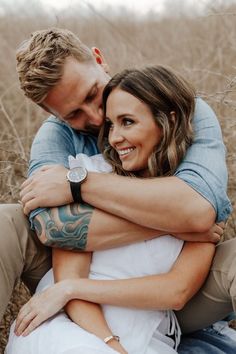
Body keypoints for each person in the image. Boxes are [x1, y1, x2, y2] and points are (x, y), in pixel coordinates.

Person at [0, 27, 235, 349]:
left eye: (91, 94)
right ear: (49, 113)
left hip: (174, 291)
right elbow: (52, 229)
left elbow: (198, 212)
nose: (98, 119)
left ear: (99, 60)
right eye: (73, 114)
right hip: (78, 279)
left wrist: (78, 184)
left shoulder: (186, 110)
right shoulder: (55, 137)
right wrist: (172, 224)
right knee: (5, 220)